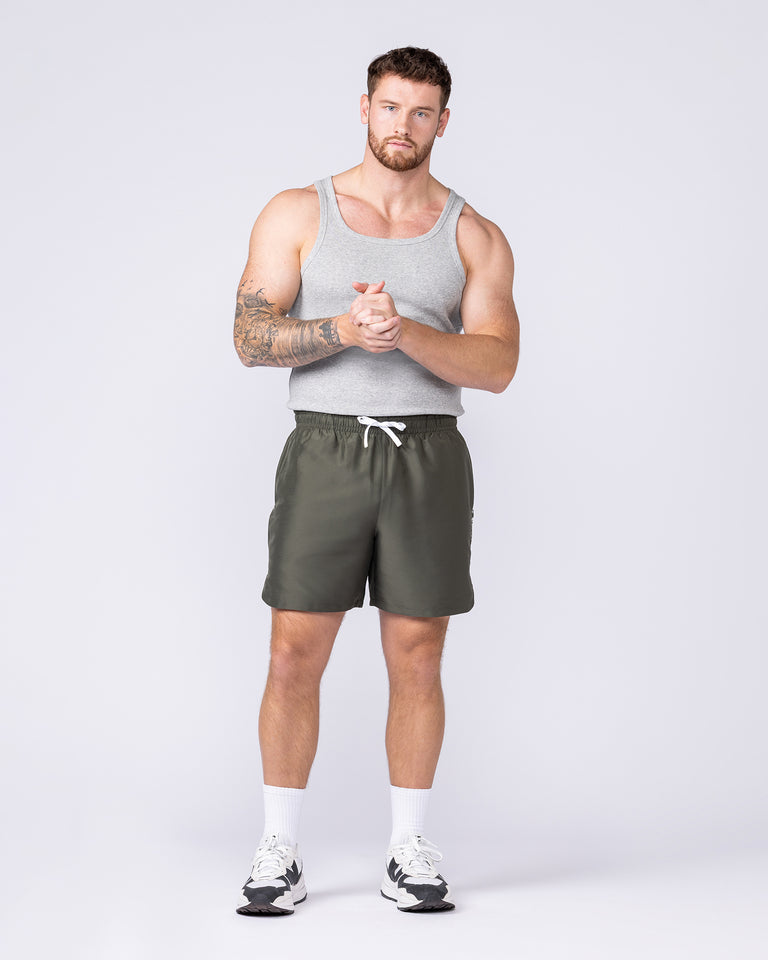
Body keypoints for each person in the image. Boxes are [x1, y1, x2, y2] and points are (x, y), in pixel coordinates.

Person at [232, 46, 519, 915]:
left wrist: (408, 335)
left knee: (419, 654)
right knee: (293, 651)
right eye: (390, 107)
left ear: (443, 121)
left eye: (422, 112)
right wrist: (346, 332)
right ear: (365, 109)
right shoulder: (299, 210)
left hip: (428, 451)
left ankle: (408, 849)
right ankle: (279, 850)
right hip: (325, 445)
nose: (404, 125)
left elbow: (498, 365)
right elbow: (249, 338)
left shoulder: (473, 233)